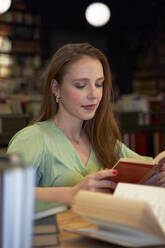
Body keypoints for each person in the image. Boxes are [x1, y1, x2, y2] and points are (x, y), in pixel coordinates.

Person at [7, 43, 165, 206]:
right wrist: (73, 193)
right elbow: (5, 191)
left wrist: (152, 179)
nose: (94, 95)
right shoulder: (33, 139)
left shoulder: (103, 141)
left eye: (99, 84)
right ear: (56, 88)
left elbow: (151, 166)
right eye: (81, 85)